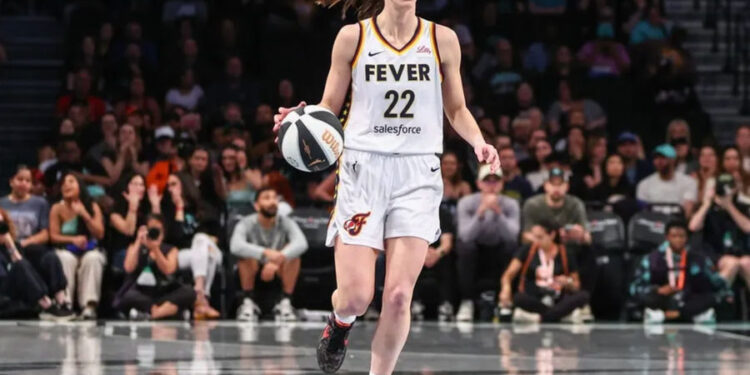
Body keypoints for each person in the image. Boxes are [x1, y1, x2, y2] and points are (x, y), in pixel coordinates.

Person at [274, 1, 500, 372]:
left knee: (397, 296)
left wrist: (479, 143)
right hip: (364, 169)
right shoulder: (353, 37)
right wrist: (299, 120)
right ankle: (340, 321)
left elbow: (456, 108)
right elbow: (329, 106)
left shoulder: (442, 38)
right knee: (356, 297)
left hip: (418, 172)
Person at [150, 172, 222, 319]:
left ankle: (198, 294)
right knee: (204, 254)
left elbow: (217, 236)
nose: (170, 188)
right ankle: (202, 300)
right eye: (168, 185)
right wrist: (179, 208)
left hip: (211, 250)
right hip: (186, 255)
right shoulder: (169, 211)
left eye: (174, 184)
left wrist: (204, 241)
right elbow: (176, 238)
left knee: (201, 239)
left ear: (185, 184)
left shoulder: (202, 207)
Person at [230, 187, 308, 322]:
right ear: (256, 205)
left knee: (293, 255)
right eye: (267, 198)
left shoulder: (286, 222)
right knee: (245, 255)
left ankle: (285, 303)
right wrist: (264, 253)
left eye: (274, 198)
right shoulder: (246, 223)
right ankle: (248, 302)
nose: (272, 202)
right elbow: (235, 246)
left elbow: (302, 243)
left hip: (278, 270)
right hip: (253, 269)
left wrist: (278, 259)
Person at [630, 221, 732, 323]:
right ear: (667, 237)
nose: (678, 240)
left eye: (681, 236)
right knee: (647, 297)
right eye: (674, 236)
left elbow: (714, 280)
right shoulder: (652, 259)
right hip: (663, 298)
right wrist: (657, 290)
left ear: (687, 238)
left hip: (688, 298)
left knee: (712, 297)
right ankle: (691, 315)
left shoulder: (698, 258)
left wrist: (727, 293)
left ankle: (667, 315)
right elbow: (635, 287)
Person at [455, 165, 520, 322]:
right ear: (479, 184)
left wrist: (498, 213)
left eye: (495, 181)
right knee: (464, 248)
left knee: (511, 247)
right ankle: (467, 301)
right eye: (487, 181)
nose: (492, 185)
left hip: (498, 249)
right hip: (476, 249)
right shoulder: (466, 203)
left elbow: (513, 236)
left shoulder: (511, 204)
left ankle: (504, 300)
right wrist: (481, 212)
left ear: (502, 184)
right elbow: (465, 236)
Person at [499, 219, 590, 323]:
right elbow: (508, 274)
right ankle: (559, 316)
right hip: (534, 297)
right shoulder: (527, 250)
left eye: (540, 237)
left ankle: (540, 318)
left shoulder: (565, 253)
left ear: (552, 235)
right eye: (534, 237)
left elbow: (576, 285)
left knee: (583, 296)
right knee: (518, 298)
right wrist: (505, 288)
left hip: (557, 298)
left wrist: (568, 282)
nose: (536, 241)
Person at [114, 214, 196, 320]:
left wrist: (155, 249)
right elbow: (128, 268)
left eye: (158, 230)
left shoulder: (171, 249)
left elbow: (168, 270)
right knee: (127, 296)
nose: (154, 233)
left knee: (189, 292)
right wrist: (138, 241)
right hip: (141, 292)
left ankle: (153, 313)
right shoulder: (134, 247)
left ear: (163, 233)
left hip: (163, 292)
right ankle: (168, 312)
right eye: (151, 230)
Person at [49, 173, 106, 319]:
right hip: (67, 249)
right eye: (63, 183)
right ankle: (65, 304)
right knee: (65, 258)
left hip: (89, 250)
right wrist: (73, 239)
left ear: (80, 185)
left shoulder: (92, 206)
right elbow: (53, 236)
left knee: (93, 258)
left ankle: (89, 306)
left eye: (71, 181)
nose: (66, 185)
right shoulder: (57, 208)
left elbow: (100, 233)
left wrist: (84, 214)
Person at [0, 208, 73, 320]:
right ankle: (47, 306)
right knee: (20, 265)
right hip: (4, 296)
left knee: (50, 257)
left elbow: (24, 269)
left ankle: (61, 301)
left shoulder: (13, 246)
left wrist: (10, 245)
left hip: (22, 293)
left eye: (2, 226)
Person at [521, 167, 591, 246]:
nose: (556, 188)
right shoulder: (533, 204)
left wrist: (580, 236)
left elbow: (588, 238)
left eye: (560, 184)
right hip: (541, 249)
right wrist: (545, 242)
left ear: (567, 186)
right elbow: (525, 237)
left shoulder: (576, 204)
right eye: (552, 184)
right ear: (545, 185)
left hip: (569, 248)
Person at [411, 203, 455, 322]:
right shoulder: (408, 211)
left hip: (436, 253)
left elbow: (447, 242)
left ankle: (446, 304)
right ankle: (413, 303)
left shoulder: (442, 212)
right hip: (414, 252)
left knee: (447, 258)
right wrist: (421, 253)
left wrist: (437, 254)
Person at [636, 144, 698, 217]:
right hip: (653, 223)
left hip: (678, 224)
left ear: (673, 159)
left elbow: (688, 210)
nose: (659, 161)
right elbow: (642, 213)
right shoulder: (644, 184)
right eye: (656, 158)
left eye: (663, 157)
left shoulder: (688, 182)